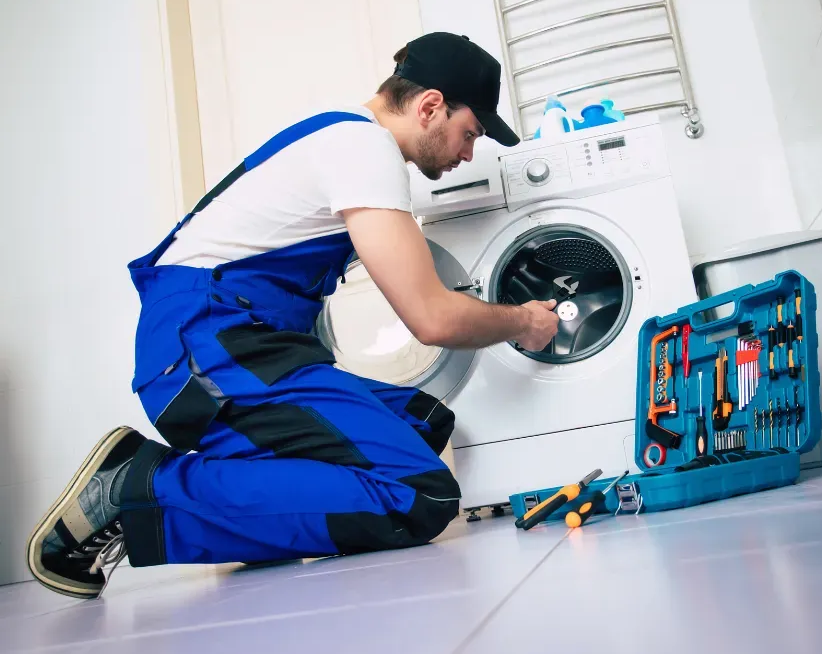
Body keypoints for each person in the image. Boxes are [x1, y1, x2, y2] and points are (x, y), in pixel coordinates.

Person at [26, 32, 560, 599]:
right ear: (430, 106)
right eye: (469, 133)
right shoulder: (364, 150)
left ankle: (239, 522)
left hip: (228, 347)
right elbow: (432, 319)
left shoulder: (342, 139)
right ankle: (139, 488)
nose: (468, 153)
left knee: (422, 424)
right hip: (205, 348)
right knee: (418, 495)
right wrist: (524, 322)